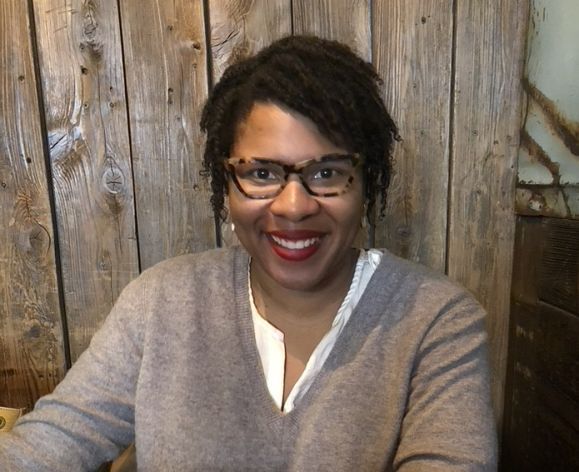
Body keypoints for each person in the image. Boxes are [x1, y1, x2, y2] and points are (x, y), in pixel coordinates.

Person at [0, 35, 497, 471]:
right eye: (261, 173)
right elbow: (53, 441)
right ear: (227, 184)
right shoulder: (161, 302)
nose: (295, 206)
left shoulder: (436, 321)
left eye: (327, 172)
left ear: (366, 182)